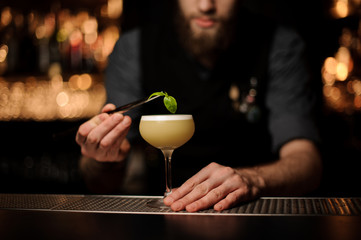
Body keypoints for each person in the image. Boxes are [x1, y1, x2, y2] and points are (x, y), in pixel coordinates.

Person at [76, 0, 322, 212]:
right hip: (161, 219)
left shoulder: (279, 44)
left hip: (252, 213)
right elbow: (98, 182)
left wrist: (253, 179)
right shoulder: (134, 48)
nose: (206, 6)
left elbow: (307, 163)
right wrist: (102, 157)